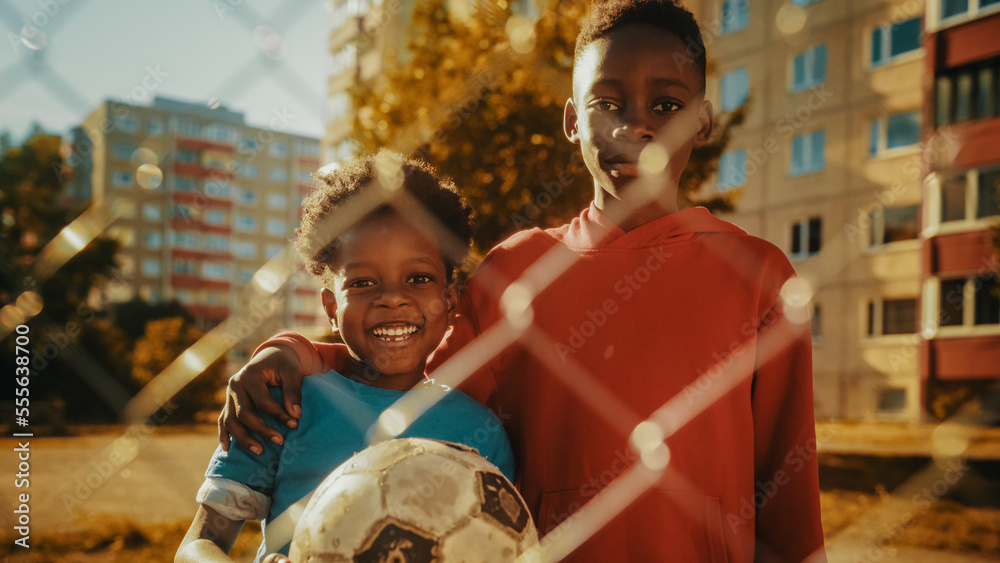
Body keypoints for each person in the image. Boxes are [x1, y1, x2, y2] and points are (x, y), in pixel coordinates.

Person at [219, 1, 827, 561]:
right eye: (607, 103)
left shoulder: (759, 275)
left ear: (702, 121)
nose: (634, 127)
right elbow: (406, 374)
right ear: (570, 120)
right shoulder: (517, 270)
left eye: (665, 105)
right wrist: (293, 354)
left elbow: (788, 490)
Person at [176, 151, 515, 563]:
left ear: (450, 299)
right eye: (363, 281)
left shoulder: (480, 434)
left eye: (419, 278)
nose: (392, 297)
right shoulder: (283, 404)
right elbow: (198, 544)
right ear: (331, 308)